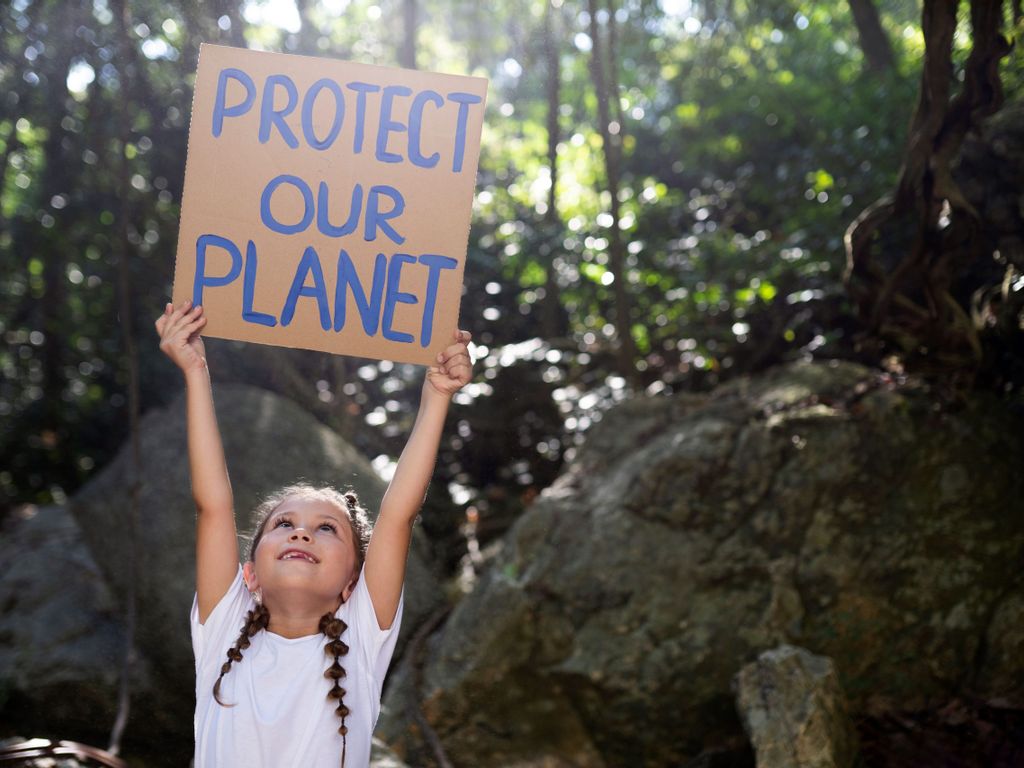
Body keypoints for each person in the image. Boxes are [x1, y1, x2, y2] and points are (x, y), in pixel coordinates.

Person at [155, 299, 473, 767]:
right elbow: (214, 505)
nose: (301, 534)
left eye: (327, 529)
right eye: (284, 524)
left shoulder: (361, 639)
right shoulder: (223, 629)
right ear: (249, 574)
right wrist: (196, 370)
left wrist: (437, 396)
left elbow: (396, 516)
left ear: (352, 584)